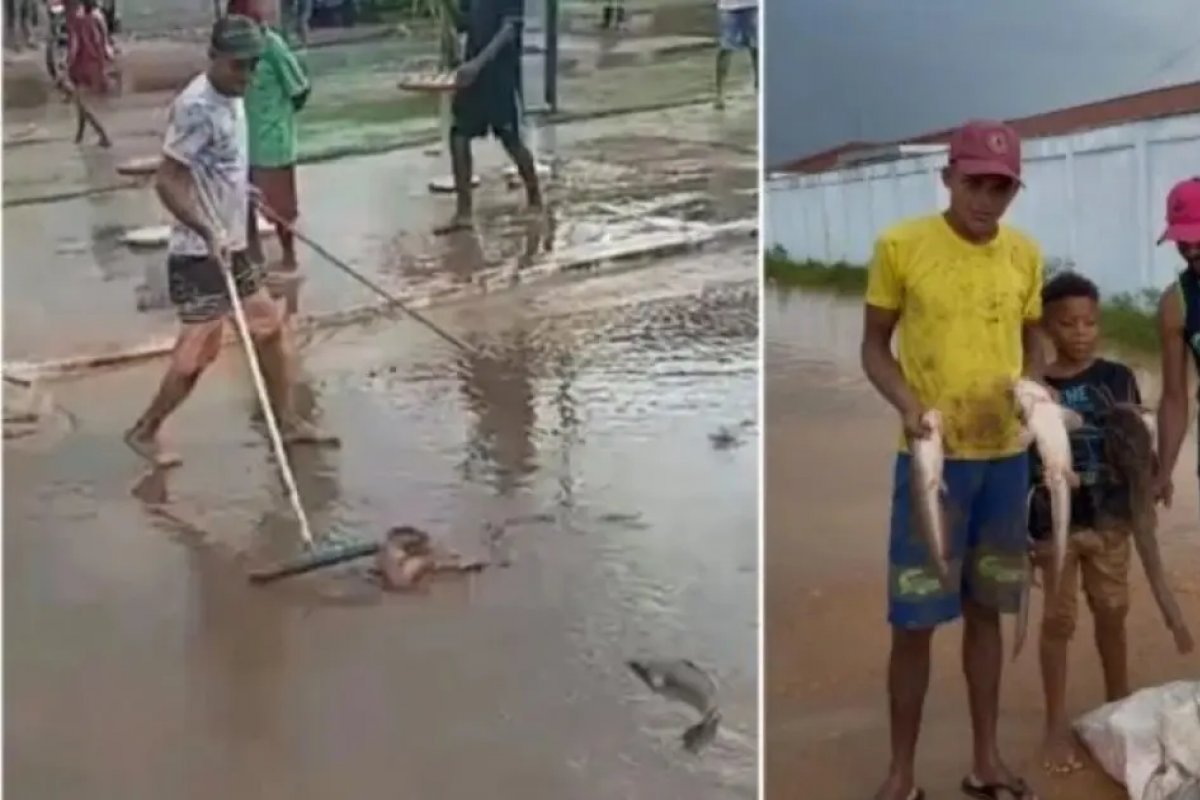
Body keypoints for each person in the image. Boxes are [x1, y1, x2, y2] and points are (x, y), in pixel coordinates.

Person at [860, 120, 1045, 800]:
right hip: (931, 461)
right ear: (947, 178)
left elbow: (1036, 344)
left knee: (987, 612)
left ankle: (985, 760)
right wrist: (909, 406)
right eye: (975, 184)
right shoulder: (900, 246)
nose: (987, 200)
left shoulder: (1025, 254)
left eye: (1002, 188)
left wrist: (1035, 391)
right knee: (912, 620)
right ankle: (902, 774)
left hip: (1005, 464)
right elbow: (875, 347)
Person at [124, 15, 335, 467]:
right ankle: (144, 430)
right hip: (200, 252)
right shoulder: (196, 107)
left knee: (269, 328)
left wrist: (243, 191)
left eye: (253, 65)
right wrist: (204, 229)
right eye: (239, 66)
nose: (247, 75)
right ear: (214, 58)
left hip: (234, 242)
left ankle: (289, 422)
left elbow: (217, 165)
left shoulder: (235, 95)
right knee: (198, 353)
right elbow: (168, 181)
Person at [1026, 271, 1140, 775]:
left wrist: (1150, 483)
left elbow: (1138, 441)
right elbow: (1021, 460)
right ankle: (1055, 723)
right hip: (1055, 528)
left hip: (1112, 519)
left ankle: (1120, 707)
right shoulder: (1035, 388)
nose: (1079, 332)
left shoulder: (1119, 376)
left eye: (1089, 322)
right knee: (1057, 624)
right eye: (1067, 323)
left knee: (1113, 615)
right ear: (1048, 327)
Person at [228, 0, 311, 316]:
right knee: (243, 206)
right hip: (241, 139)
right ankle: (253, 261)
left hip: (272, 140)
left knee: (279, 207)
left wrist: (279, 118)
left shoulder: (272, 46)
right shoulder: (233, 53)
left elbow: (300, 89)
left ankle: (288, 256)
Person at [436, 0, 542, 234]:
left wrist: (478, 63)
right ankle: (463, 212)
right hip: (472, 74)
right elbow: (464, 25)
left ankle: (535, 198)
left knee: (510, 139)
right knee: (459, 135)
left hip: (498, 74)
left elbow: (509, 31)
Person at [1154, 177, 1200, 510]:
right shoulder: (1176, 302)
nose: (1191, 248)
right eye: (1182, 239)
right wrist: (1164, 470)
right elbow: (1174, 397)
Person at [65, 0, 112, 146]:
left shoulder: (77, 23)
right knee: (81, 101)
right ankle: (79, 135)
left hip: (81, 65)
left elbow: (74, 46)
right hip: (95, 64)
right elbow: (103, 41)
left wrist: (67, 64)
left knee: (82, 103)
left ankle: (102, 134)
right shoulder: (97, 19)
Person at [714, 0, 757, 111]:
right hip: (729, 7)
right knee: (725, 48)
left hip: (754, 5)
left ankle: (760, 87)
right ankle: (720, 94)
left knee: (757, 48)